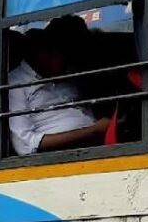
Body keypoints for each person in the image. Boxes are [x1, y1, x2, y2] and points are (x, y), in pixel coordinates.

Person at [8, 17, 110, 156]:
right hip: (60, 157)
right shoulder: (16, 83)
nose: (69, 65)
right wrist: (92, 130)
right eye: (65, 58)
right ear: (45, 53)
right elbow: (25, 145)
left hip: (93, 146)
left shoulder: (66, 77)